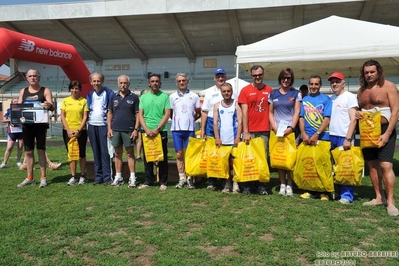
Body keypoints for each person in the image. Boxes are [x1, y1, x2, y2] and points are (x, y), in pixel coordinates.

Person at [357, 59, 399, 216]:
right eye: (366, 72)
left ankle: (391, 202)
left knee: (386, 165)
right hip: (367, 131)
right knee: (372, 165)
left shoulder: (388, 86)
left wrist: (387, 133)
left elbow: (396, 112)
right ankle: (378, 197)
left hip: (384, 130)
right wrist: (358, 114)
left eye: (372, 72)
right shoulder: (361, 91)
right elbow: (360, 111)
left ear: (379, 71)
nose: (369, 75)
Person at [238, 65, 272, 195]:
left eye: (260, 75)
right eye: (255, 75)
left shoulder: (269, 90)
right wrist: (245, 131)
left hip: (264, 130)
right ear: (251, 75)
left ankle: (261, 185)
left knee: (262, 158)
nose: (257, 77)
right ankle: (246, 185)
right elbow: (244, 112)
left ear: (263, 74)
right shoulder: (245, 90)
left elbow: (271, 111)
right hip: (250, 131)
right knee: (248, 158)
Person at [17, 69, 55, 188]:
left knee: (41, 151)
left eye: (35, 76)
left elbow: (52, 107)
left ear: (39, 77)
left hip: (40, 125)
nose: (33, 78)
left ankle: (43, 177)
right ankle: (30, 178)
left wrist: (49, 105)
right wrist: (15, 118)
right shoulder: (23, 91)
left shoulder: (45, 90)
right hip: (27, 125)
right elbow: (18, 107)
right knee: (28, 152)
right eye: (30, 76)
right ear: (27, 78)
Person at [200, 67, 237, 189]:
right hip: (212, 123)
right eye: (218, 76)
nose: (220, 78)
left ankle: (226, 179)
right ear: (214, 78)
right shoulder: (210, 92)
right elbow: (204, 112)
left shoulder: (232, 91)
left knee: (228, 154)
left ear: (225, 77)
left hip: (227, 124)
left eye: (222, 76)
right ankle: (212, 180)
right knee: (213, 153)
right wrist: (203, 129)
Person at [268, 68, 301, 196]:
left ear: (291, 80)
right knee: (279, 158)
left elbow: (297, 111)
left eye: (288, 78)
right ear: (280, 79)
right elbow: (270, 112)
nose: (285, 80)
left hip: (290, 131)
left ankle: (290, 185)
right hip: (277, 131)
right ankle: (282, 184)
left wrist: (292, 127)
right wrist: (275, 127)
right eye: (283, 78)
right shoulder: (273, 94)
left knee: (291, 158)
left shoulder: (296, 93)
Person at [299, 74, 332, 201]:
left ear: (320, 85)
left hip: (322, 137)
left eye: (316, 84)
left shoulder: (326, 99)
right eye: (311, 84)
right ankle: (311, 190)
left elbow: (326, 119)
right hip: (307, 138)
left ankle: (324, 191)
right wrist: (303, 134)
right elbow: (301, 118)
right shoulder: (305, 99)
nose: (313, 86)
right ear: (309, 85)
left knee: (322, 165)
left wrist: (316, 134)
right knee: (310, 165)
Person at [328, 72, 358, 204]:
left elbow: (353, 120)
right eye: (332, 82)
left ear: (343, 83)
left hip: (344, 137)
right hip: (331, 136)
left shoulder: (350, 97)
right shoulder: (330, 99)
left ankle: (347, 195)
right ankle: (336, 191)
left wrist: (349, 138)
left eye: (337, 81)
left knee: (345, 167)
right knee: (334, 167)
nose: (334, 84)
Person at [138, 73, 171, 190]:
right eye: (152, 81)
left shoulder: (165, 97)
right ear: (149, 83)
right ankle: (148, 181)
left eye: (157, 81)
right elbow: (140, 115)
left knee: (162, 158)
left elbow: (167, 114)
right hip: (146, 131)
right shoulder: (143, 98)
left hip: (160, 131)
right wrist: (146, 129)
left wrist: (157, 129)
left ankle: (163, 182)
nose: (155, 83)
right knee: (148, 157)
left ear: (160, 83)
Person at [107, 74, 140, 188]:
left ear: (128, 84)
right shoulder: (113, 97)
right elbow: (110, 113)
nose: (123, 85)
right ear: (118, 84)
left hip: (129, 130)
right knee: (117, 154)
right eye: (121, 83)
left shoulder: (134, 97)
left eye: (125, 83)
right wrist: (109, 129)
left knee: (130, 153)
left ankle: (132, 177)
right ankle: (118, 177)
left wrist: (136, 129)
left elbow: (138, 114)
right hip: (116, 129)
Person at [170, 73, 201, 189]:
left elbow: (198, 112)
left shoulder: (194, 96)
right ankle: (181, 178)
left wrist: (191, 120)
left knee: (189, 155)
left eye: (183, 80)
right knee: (179, 154)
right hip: (176, 130)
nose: (182, 82)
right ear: (176, 83)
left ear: (187, 81)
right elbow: (171, 113)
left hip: (190, 129)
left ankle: (190, 178)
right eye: (179, 81)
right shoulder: (172, 96)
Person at [213, 82, 242, 193]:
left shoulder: (236, 104)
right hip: (222, 139)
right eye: (224, 91)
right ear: (221, 92)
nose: (226, 93)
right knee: (224, 163)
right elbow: (215, 123)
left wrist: (238, 137)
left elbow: (240, 122)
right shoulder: (217, 105)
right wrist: (217, 137)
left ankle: (235, 184)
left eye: (228, 91)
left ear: (232, 92)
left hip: (234, 139)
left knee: (234, 163)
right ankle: (227, 183)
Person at [86, 72, 114, 186]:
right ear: (91, 82)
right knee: (96, 152)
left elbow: (110, 111)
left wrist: (109, 128)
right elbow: (88, 112)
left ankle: (107, 177)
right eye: (94, 81)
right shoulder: (89, 94)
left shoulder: (109, 93)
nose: (96, 83)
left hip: (104, 126)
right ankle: (98, 176)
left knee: (105, 152)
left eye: (98, 81)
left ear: (102, 81)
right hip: (92, 126)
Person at [60, 80, 89, 185]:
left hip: (81, 131)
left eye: (76, 88)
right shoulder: (65, 101)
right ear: (70, 90)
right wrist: (68, 130)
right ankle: (73, 176)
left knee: (81, 154)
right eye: (72, 88)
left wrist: (78, 130)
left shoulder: (84, 101)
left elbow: (85, 117)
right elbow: (62, 116)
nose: (74, 90)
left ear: (80, 90)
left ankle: (82, 176)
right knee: (71, 154)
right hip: (67, 131)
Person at [1, 98, 23, 169]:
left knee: (20, 147)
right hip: (12, 131)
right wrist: (11, 120)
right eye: (15, 102)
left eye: (17, 102)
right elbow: (3, 120)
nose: (16, 103)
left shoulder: (22, 110)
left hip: (21, 131)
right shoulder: (9, 110)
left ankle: (18, 161)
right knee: (9, 147)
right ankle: (4, 163)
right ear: (12, 103)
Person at [135, 89, 148, 163]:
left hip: (148, 123)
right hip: (141, 123)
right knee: (140, 139)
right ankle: (138, 155)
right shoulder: (140, 103)